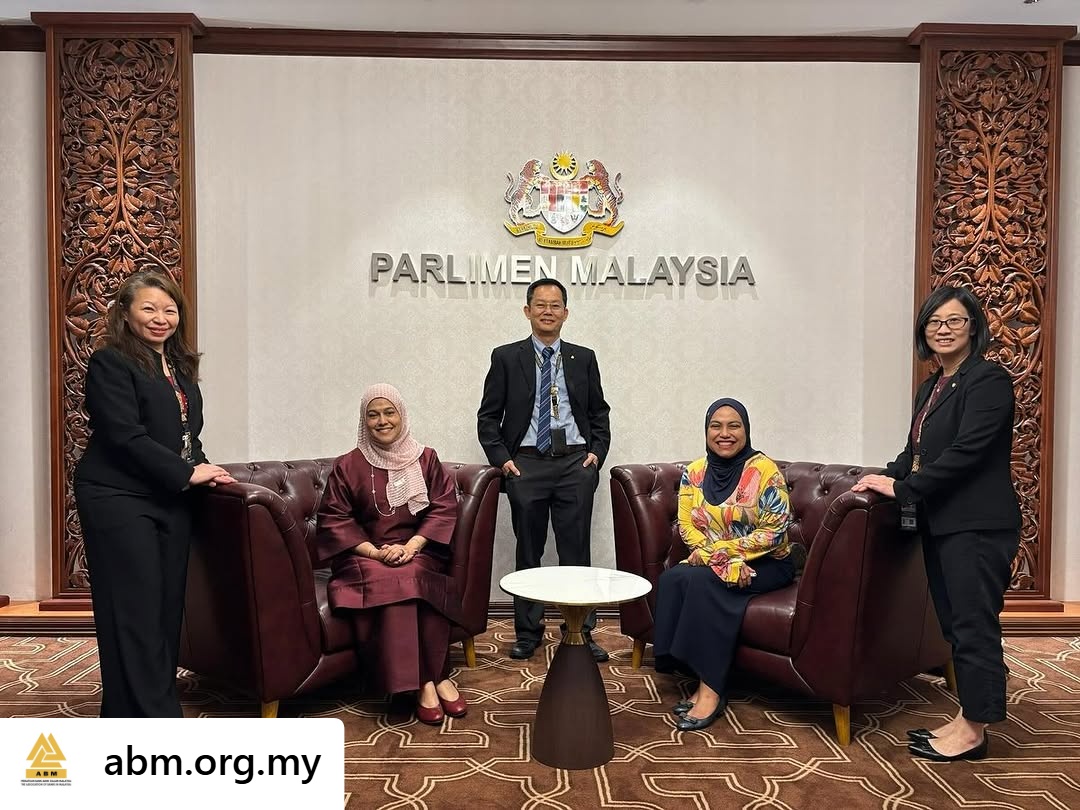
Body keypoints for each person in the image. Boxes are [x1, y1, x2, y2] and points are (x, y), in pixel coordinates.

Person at [853, 285, 1020, 762]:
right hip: (942, 523)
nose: (943, 330)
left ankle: (975, 730)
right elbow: (916, 454)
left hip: (978, 525)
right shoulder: (932, 387)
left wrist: (905, 489)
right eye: (934, 323)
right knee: (954, 623)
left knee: (973, 624)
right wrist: (882, 476)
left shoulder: (988, 380)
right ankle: (970, 715)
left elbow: (967, 454)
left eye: (954, 321)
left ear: (973, 327)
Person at [75, 270, 236, 717]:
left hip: (169, 497)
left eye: (169, 309)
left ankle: (131, 713)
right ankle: (157, 720)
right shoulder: (110, 362)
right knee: (135, 611)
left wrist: (208, 470)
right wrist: (187, 473)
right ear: (125, 315)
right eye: (148, 308)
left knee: (166, 611)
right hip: (118, 497)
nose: (161, 318)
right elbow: (125, 436)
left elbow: (187, 437)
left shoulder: (180, 369)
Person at [477, 277, 611, 662]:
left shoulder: (583, 357)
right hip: (527, 464)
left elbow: (599, 412)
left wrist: (596, 455)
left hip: (574, 462)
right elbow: (488, 417)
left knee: (576, 553)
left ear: (566, 313)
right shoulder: (505, 357)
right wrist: (504, 460)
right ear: (527, 311)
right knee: (529, 551)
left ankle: (580, 631)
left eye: (555, 305)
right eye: (540, 305)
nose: (548, 311)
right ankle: (527, 632)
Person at [316, 383, 466, 725]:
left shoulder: (426, 458)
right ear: (363, 420)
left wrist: (411, 546)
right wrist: (376, 552)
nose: (382, 421)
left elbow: (443, 509)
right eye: (373, 414)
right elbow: (335, 519)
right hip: (363, 556)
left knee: (412, 575)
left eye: (389, 412)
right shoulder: (347, 465)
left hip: (420, 550)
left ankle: (428, 679)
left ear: (402, 415)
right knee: (399, 579)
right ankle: (429, 680)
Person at [653, 398, 794, 732]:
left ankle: (711, 690)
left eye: (734, 425)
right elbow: (687, 525)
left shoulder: (764, 471)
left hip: (768, 562)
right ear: (706, 431)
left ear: (746, 430)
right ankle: (689, 667)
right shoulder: (695, 472)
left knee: (702, 584)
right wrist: (720, 559)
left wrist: (723, 556)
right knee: (675, 578)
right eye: (716, 426)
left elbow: (775, 531)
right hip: (719, 561)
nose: (725, 433)